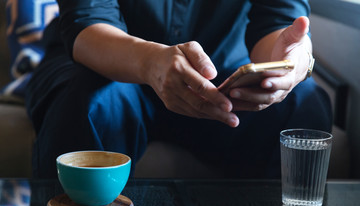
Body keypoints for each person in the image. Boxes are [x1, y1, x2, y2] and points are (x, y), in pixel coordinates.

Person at [25, 0, 332, 179]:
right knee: (89, 105)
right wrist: (149, 63)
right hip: (107, 65)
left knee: (304, 106)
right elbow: (87, 20)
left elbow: (277, 22)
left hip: (221, 74)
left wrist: (290, 59)